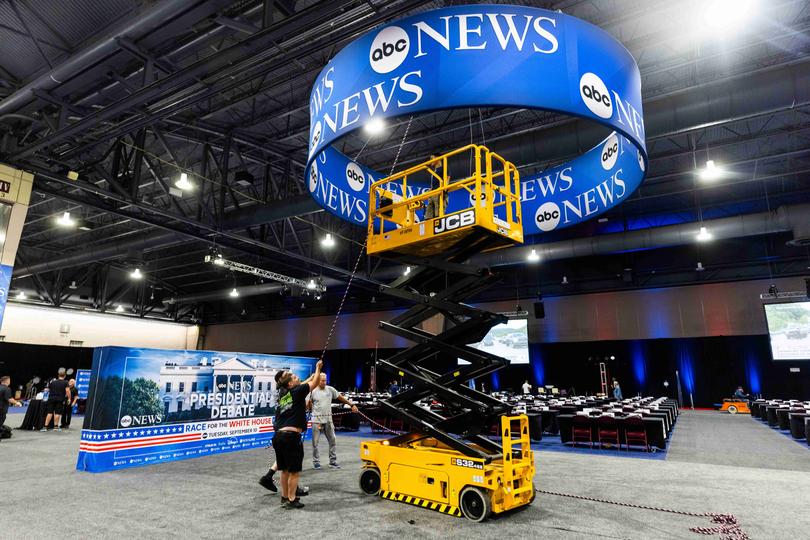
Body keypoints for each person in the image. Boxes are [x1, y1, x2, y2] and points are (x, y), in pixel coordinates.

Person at [271, 360, 323, 509]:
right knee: (294, 471)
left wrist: (312, 376)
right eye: (294, 377)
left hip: (279, 437)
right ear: (290, 384)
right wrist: (318, 369)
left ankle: (285, 497)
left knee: (284, 470)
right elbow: (314, 384)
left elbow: (304, 384)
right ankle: (293, 499)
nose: (296, 377)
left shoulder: (284, 395)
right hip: (290, 438)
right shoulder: (297, 391)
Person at [308, 373, 358, 469]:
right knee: (315, 443)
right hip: (316, 420)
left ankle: (332, 461)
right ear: (318, 380)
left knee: (333, 440)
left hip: (328, 420)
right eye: (322, 380)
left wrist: (351, 405)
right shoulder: (312, 391)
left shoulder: (330, 389)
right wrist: (308, 404)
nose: (324, 382)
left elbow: (340, 398)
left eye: (325, 380)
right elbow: (307, 406)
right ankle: (316, 462)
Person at [423, 156, 448, 220]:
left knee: (438, 215)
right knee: (428, 216)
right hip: (433, 193)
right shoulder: (434, 171)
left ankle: (439, 225)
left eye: (432, 158)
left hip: (439, 193)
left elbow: (447, 178)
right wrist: (431, 189)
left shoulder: (444, 168)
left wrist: (444, 189)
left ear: (438, 158)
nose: (430, 160)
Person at [1, 376, 23, 440]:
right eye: (9, 380)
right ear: (7, 381)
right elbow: (9, 399)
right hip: (1, 409)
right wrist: (17, 403)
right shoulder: (7, 389)